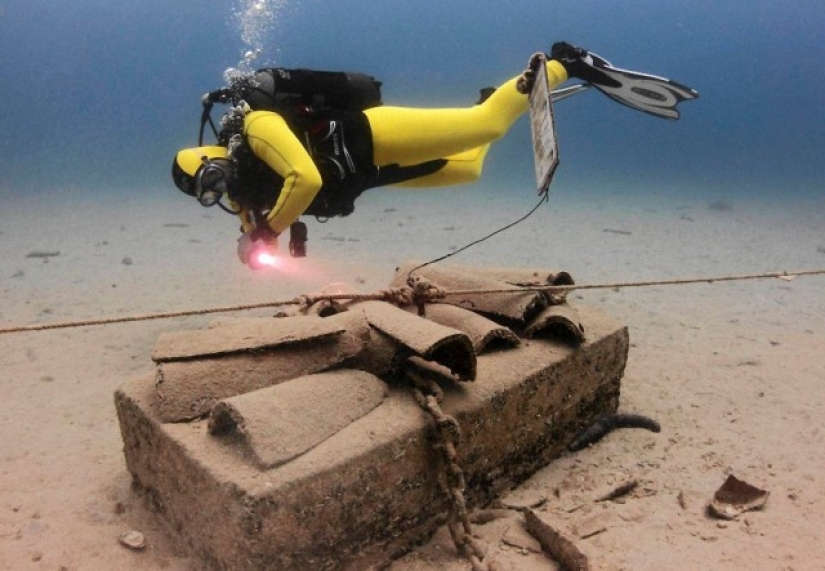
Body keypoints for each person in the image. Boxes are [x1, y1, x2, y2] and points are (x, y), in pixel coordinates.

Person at [172, 42, 698, 268]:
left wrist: (266, 234)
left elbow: (305, 180)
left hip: (372, 136)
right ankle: (501, 94)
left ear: (213, 152)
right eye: (209, 190)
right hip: (366, 175)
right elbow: (257, 227)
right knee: (465, 167)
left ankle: (566, 63)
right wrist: (252, 243)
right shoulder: (241, 192)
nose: (219, 185)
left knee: (484, 126)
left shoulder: (258, 126)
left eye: (212, 173)